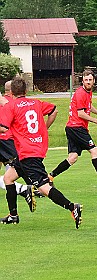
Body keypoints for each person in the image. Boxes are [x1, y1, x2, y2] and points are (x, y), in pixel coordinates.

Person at [0, 77, 82, 228]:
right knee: (8, 178)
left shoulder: (11, 106)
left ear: (11, 92)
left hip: (28, 152)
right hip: (34, 149)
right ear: (26, 91)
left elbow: (3, 128)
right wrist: (44, 127)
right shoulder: (36, 103)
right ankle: (13, 215)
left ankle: (72, 207)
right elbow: (54, 110)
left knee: (44, 188)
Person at [48, 69, 97, 187]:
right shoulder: (81, 93)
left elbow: (89, 107)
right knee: (94, 150)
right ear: (82, 81)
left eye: (90, 80)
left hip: (72, 128)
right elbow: (81, 113)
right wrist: (96, 121)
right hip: (77, 128)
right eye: (86, 80)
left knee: (73, 157)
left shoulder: (87, 92)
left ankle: (50, 177)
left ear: (94, 81)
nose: (88, 82)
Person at [0, 81, 37, 210]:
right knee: (14, 168)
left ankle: (29, 188)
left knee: (19, 166)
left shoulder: (9, 103)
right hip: (9, 139)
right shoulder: (11, 101)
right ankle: (31, 187)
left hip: (5, 139)